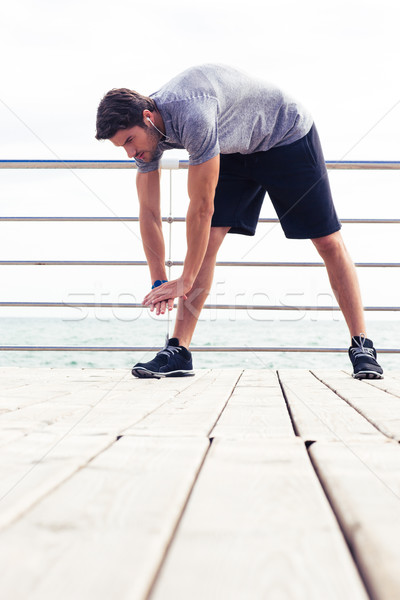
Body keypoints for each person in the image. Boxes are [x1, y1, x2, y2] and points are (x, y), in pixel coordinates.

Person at [95, 63, 383, 380]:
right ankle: (178, 350)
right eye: (122, 146)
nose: (130, 153)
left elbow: (201, 206)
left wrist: (186, 279)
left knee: (327, 240)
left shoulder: (192, 113)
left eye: (129, 141)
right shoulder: (148, 139)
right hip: (232, 146)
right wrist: (159, 281)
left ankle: (362, 345)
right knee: (210, 240)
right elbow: (148, 211)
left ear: (147, 118)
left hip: (284, 135)